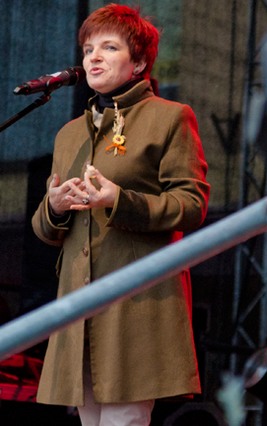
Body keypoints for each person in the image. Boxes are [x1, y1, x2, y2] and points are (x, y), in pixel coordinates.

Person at [31, 4, 210, 425]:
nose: (93, 57)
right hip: (80, 306)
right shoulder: (69, 134)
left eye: (109, 48)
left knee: (124, 419)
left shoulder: (169, 117)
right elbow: (45, 229)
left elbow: (192, 204)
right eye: (88, 49)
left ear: (140, 62)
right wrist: (55, 207)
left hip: (136, 304)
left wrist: (119, 199)